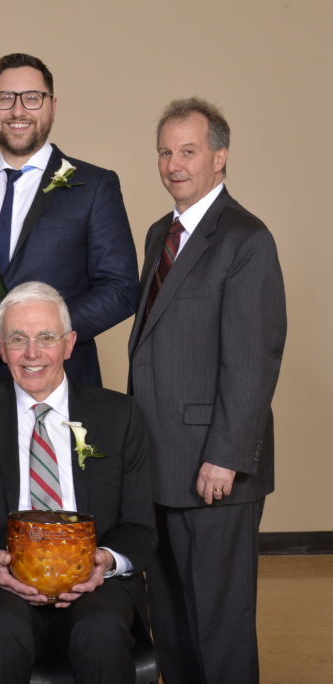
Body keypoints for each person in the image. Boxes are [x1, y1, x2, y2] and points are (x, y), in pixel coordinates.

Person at [128, 98, 286, 684]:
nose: (174, 164)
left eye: (188, 151)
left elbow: (254, 357)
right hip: (160, 463)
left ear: (219, 158)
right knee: (170, 621)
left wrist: (225, 454)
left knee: (219, 627)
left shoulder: (246, 239)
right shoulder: (157, 234)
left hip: (212, 468)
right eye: (165, 151)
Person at [0, 282, 155, 683]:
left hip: (97, 585)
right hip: (2, 583)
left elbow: (140, 527)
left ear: (69, 344)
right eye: (18, 339)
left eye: (46, 338)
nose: (32, 353)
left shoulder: (119, 416)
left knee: (100, 630)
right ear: (2, 348)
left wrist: (105, 563)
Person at [0, 53, 138, 393]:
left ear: (52, 105)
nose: (18, 111)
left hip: (61, 382)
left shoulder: (93, 186)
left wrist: (43, 337)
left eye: (32, 98)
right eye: (5, 99)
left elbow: (120, 289)